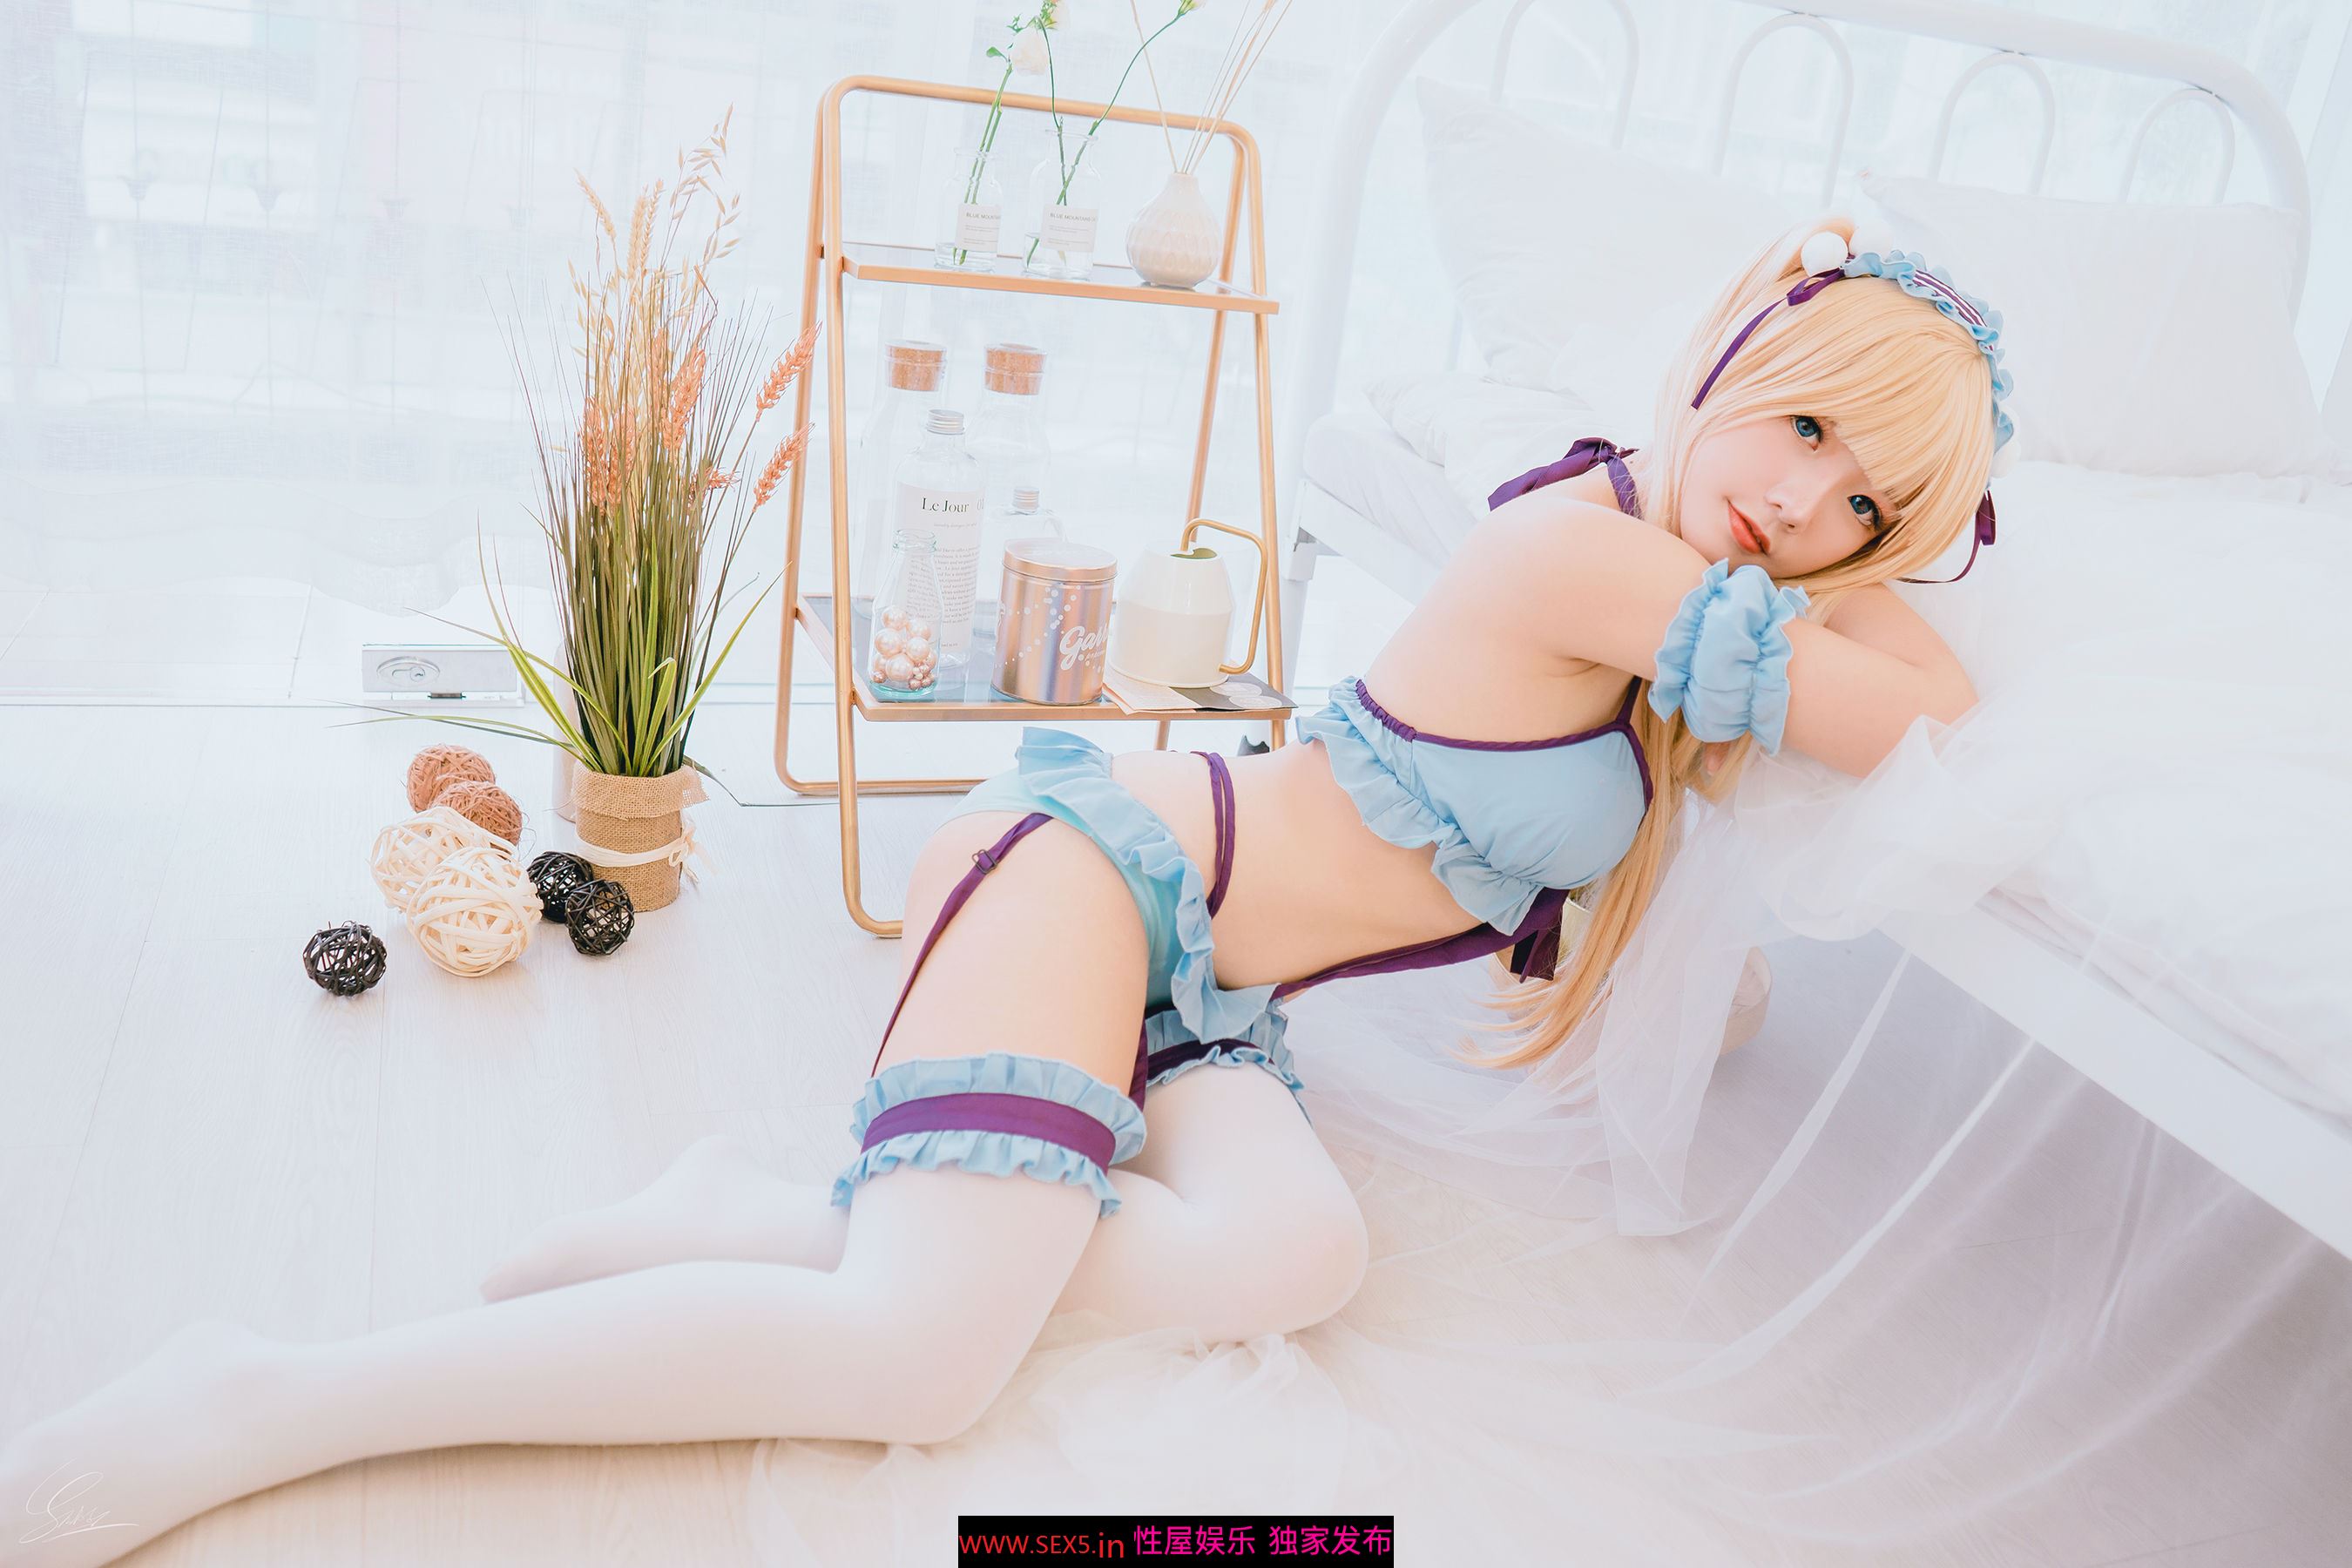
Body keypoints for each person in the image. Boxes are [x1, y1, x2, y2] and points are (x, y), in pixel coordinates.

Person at [0, 214, 2010, 1566]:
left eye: (1869, 501)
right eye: (1805, 424)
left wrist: (1864, 556)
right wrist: (1861, 585)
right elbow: (1910, 711)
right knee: (916, 1366)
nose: (1803, 502)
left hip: (1203, 988)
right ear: (1731, 351)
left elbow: (1904, 676)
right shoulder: (1591, 548)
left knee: (1300, 1260)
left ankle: (766, 1221)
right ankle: (270, 1402)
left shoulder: (1681, 587)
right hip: (1098, 880)